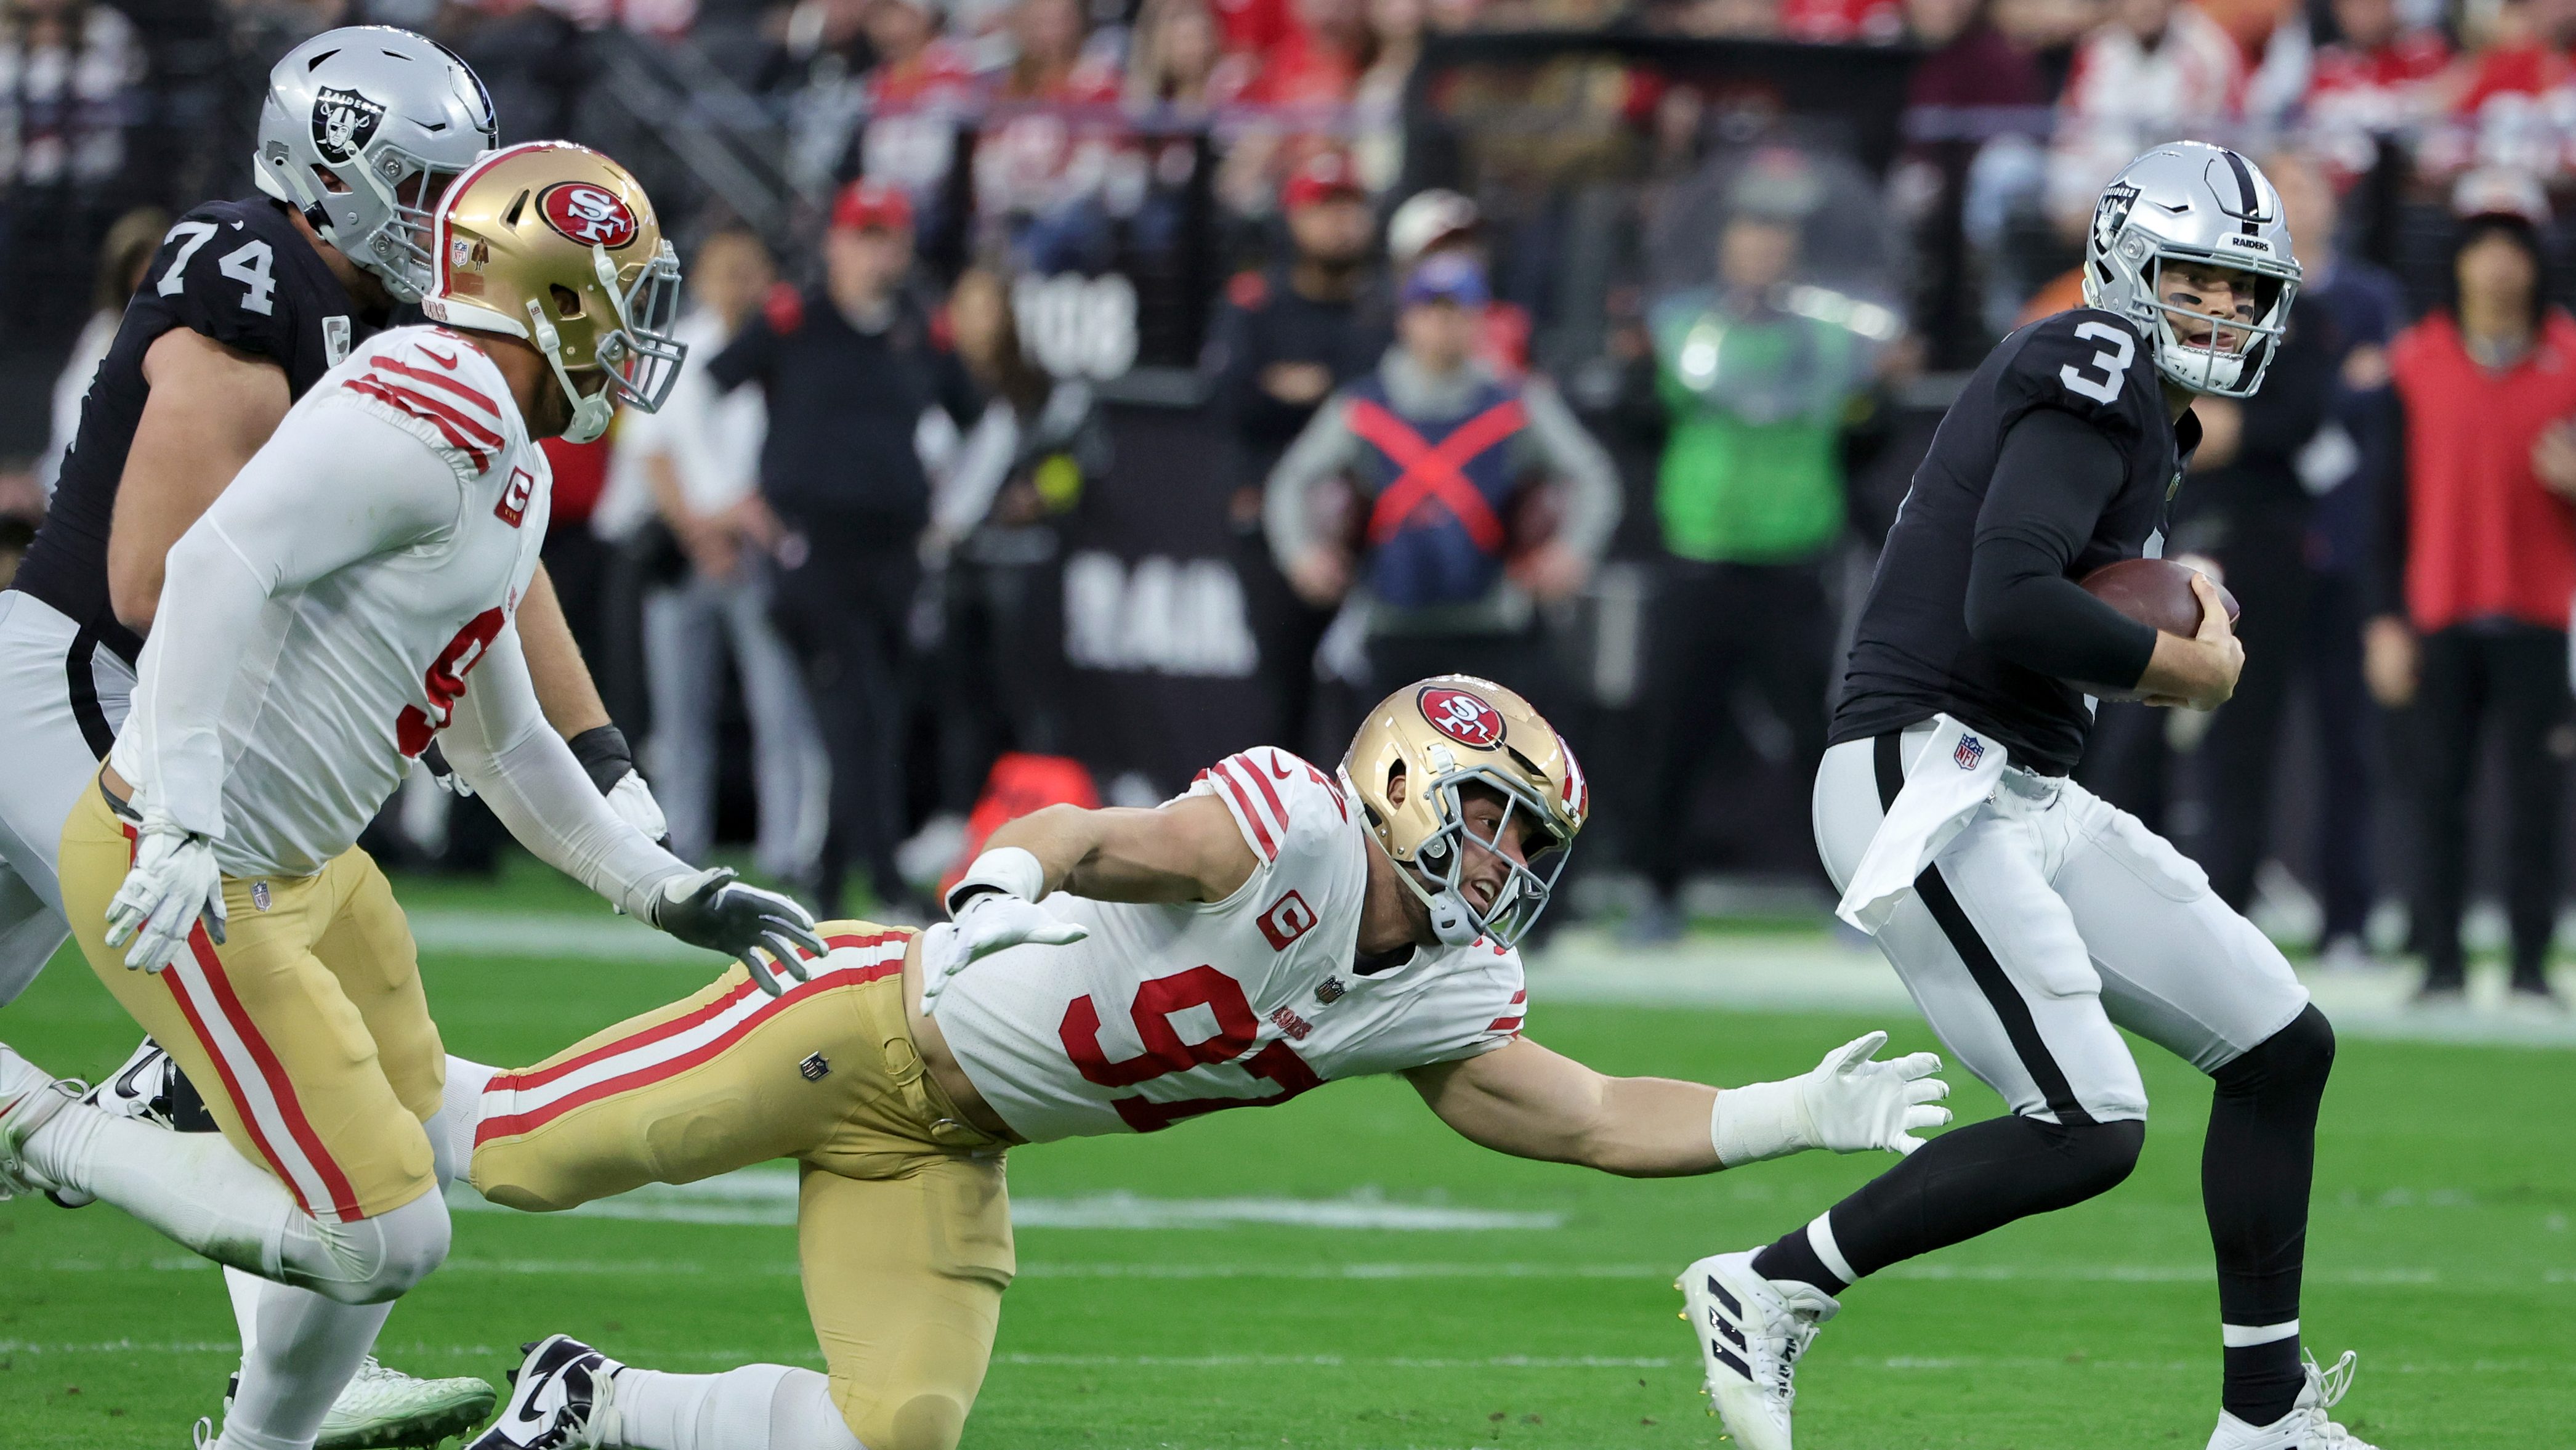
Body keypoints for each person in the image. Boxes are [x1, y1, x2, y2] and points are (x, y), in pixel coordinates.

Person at [426, 674, 1952, 1450]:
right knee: (514, 1151)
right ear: (1407, 780)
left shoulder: (1440, 981)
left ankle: (588, 1402)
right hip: (860, 1022)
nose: (1505, 861)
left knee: (896, 1426)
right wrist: (995, 893)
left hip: (951, 1145)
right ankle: (222, 1085)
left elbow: (1598, 1116)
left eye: (1525, 842)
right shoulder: (1288, 820)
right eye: (1490, 818)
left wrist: (1791, 1113)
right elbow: (1095, 837)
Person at [0, 141, 826, 1450]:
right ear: (554, 295)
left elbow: (501, 746)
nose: (634, 336)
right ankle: (43, 1124)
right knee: (382, 1232)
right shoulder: (429, 404)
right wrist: (182, 815)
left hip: (311, 872)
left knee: (415, 1154)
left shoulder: (504, 451)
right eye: (622, 296)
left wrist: (664, 886)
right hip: (203, 871)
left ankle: (261, 1444)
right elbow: (212, 568)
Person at [1686, 144, 2373, 1450]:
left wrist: (2176, 602)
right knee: (2087, 1124)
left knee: (2283, 1047)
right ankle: (1771, 1283)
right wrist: (2183, 666)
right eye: (2193, 277)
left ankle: (2267, 1417)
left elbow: (2049, 594)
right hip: (1929, 774)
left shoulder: (2140, 408)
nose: (2220, 311)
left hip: (2021, 781)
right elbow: (2006, 597)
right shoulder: (2095, 361)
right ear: (2127, 261)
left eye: (2240, 288)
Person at [705, 179, 980, 918]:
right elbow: (704, 389)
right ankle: (885, 879)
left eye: (887, 236)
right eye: (863, 236)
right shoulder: (795, 322)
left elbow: (984, 421)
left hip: (894, 551)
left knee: (876, 714)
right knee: (854, 707)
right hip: (811, 548)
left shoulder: (921, 330)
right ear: (835, 241)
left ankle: (830, 878)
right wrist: (726, 496)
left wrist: (955, 512)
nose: (875, 252)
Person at [1627, 171, 1890, 942]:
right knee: (1673, 735)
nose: (1762, 252)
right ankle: (1656, 891)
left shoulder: (1837, 342)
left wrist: (1883, 390)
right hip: (1698, 552)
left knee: (1818, 744)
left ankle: (1845, 893)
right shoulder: (1679, 333)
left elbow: (1863, 437)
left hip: (1793, 557)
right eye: (1749, 238)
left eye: (1776, 240)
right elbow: (1641, 420)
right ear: (1723, 249)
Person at [2181, 150, 2400, 968]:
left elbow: (2367, 403)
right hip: (2259, 543)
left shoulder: (2363, 296)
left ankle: (2348, 913)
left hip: (2346, 542)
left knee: (2347, 739)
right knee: (2238, 734)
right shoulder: (2238, 294)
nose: (2294, 202)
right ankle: (2223, 913)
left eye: (2305, 185)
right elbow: (2221, 423)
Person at [2370, 169, 2576, 1008]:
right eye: (2480, 247)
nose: (2495, 265)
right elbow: (2382, 508)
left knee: (2535, 802)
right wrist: (2381, 618)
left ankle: (2530, 964)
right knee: (2435, 797)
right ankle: (2440, 962)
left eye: (2510, 248)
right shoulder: (2412, 363)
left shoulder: (2568, 360)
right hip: (2438, 610)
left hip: (2539, 615)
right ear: (2457, 260)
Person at [1262, 253, 1620, 705]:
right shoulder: (1364, 406)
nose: (1443, 324)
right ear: (1406, 319)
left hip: (1492, 623)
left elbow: (1592, 474)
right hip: (1390, 621)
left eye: (1458, 311)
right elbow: (1292, 479)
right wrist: (1301, 554)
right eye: (1431, 309)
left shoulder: (1515, 402)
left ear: (1479, 321)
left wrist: (1573, 552)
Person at [625, 225, 829, 881]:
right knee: (680, 711)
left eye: (749, 270)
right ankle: (681, 839)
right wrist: (698, 528)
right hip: (688, 549)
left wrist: (744, 521)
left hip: (762, 546)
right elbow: (649, 448)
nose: (737, 284)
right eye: (724, 270)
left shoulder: (790, 351)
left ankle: (786, 848)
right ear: (703, 277)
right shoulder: (677, 345)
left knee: (781, 709)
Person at [1205, 148, 1391, 755]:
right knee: (1280, 694)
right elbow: (1233, 402)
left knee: (1374, 699)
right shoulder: (1255, 303)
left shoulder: (1381, 311)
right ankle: (1279, 837)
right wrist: (1329, 392)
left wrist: (1303, 388)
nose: (1340, 222)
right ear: (1293, 217)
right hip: (1272, 526)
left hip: (1372, 529)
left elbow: (1379, 408)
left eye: (1350, 206)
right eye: (1323, 206)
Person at [35, 203, 163, 498]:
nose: (145, 276)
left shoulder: (179, 337)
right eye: (137, 266)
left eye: (154, 264)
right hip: (77, 482)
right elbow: (71, 411)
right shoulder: (102, 331)